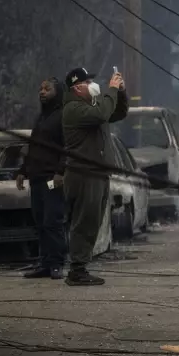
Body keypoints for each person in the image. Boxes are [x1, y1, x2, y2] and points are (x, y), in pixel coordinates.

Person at [62, 67, 128, 286]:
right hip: (84, 174)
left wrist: (121, 92)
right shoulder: (73, 109)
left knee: (93, 221)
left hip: (97, 173)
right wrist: (111, 89)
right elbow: (102, 113)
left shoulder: (92, 107)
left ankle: (80, 266)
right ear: (77, 88)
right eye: (87, 81)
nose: (92, 84)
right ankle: (77, 270)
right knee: (84, 222)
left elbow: (116, 113)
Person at [16, 77, 67, 280]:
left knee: (52, 221)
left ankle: (56, 263)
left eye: (47, 89)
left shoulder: (62, 116)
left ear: (58, 92)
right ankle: (45, 263)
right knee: (40, 222)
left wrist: (60, 172)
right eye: (41, 89)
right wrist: (22, 171)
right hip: (36, 179)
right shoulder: (41, 118)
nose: (42, 92)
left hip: (51, 179)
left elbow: (67, 148)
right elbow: (33, 148)